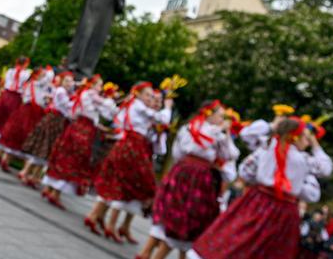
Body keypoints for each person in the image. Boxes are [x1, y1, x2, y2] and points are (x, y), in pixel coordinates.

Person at [189, 116, 333, 259]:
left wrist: (260, 179)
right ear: (295, 138)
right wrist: (316, 145)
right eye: (306, 138)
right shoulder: (304, 160)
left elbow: (245, 171)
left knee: (239, 239)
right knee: (270, 250)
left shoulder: (266, 148)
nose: (307, 142)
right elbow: (326, 168)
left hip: (258, 202)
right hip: (284, 210)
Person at [138, 100, 239, 259]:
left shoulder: (188, 127)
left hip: (181, 171)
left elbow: (178, 153)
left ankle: (147, 253)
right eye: (220, 116)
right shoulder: (217, 134)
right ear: (210, 115)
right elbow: (230, 155)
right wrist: (225, 135)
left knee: (172, 210)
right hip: (200, 177)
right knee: (190, 216)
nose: (222, 119)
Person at [87, 81, 174, 242]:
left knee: (119, 181)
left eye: (152, 96)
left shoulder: (135, 105)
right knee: (130, 183)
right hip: (133, 146)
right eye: (148, 95)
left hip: (130, 145)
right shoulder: (138, 105)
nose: (150, 98)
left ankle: (97, 216)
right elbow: (161, 118)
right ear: (138, 94)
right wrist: (168, 107)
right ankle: (104, 220)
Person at [42, 74, 111, 209]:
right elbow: (106, 108)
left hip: (77, 126)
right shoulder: (90, 94)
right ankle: (55, 193)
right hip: (83, 129)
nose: (100, 88)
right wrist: (108, 99)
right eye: (99, 85)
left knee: (64, 156)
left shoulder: (84, 93)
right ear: (92, 85)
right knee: (73, 159)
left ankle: (49, 188)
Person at [18, 71, 75, 187]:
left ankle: (33, 176)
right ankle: (25, 172)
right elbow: (67, 105)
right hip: (54, 119)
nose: (69, 83)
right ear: (62, 81)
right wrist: (76, 100)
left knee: (46, 149)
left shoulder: (63, 92)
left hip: (57, 121)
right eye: (67, 81)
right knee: (43, 147)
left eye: (71, 81)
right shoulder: (61, 91)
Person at [0, 66, 54, 172]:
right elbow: (48, 78)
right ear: (37, 75)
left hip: (28, 110)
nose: (44, 76)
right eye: (42, 74)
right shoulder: (36, 83)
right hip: (31, 111)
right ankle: (7, 160)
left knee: (18, 133)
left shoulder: (33, 84)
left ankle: (5, 158)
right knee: (23, 133)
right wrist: (50, 71)